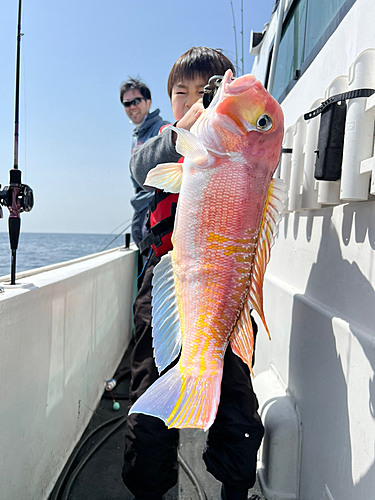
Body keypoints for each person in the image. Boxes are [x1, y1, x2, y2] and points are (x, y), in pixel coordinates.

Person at [122, 47, 264, 500]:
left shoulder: (235, 150)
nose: (191, 102)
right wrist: (182, 131)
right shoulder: (169, 140)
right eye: (180, 93)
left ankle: (235, 489)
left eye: (204, 92)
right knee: (148, 406)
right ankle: (150, 488)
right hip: (166, 282)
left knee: (239, 412)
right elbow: (140, 168)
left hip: (222, 293)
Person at [120, 77, 169, 249]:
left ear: (148, 103)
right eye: (127, 104)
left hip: (156, 205)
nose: (131, 107)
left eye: (136, 101)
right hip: (140, 204)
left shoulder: (162, 128)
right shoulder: (137, 135)